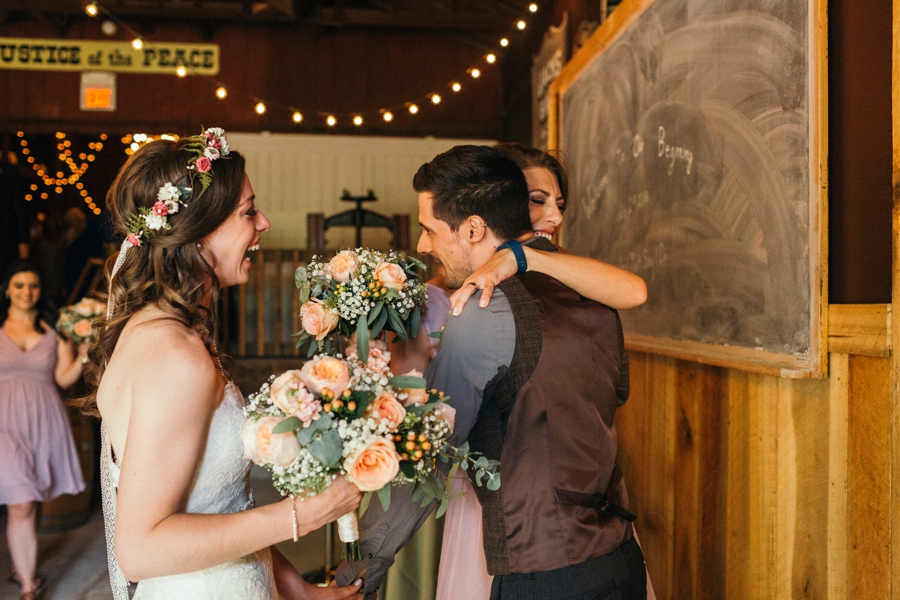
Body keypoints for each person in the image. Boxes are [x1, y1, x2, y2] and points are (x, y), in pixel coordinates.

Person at [338, 145, 647, 599]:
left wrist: (359, 575)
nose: (423, 245)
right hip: (618, 561)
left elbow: (432, 455)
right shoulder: (594, 292)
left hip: (545, 576)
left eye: (429, 229)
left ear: (474, 228)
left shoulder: (480, 307)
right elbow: (612, 394)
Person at [78, 129, 364, 600]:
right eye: (248, 212)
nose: (264, 222)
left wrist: (306, 594)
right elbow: (139, 549)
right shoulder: (173, 356)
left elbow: (223, 508)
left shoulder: (175, 334)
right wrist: (301, 515)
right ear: (199, 229)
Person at [0, 259, 87, 600]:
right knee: (21, 503)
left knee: (32, 498)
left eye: (33, 285)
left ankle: (22, 566)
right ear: (7, 289)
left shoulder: (55, 330)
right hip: (3, 422)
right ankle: (27, 588)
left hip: (44, 419)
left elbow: (63, 378)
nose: (26, 291)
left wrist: (83, 353)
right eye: (19, 285)